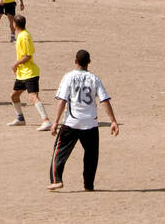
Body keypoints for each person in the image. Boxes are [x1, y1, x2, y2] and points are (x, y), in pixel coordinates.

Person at [48, 50, 119, 191]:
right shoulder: (94, 79)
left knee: (59, 151)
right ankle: (89, 185)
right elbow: (104, 100)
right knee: (91, 156)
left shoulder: (68, 77)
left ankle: (57, 180)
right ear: (89, 62)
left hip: (71, 123)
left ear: (75, 61)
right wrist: (113, 121)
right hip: (90, 124)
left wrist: (55, 122)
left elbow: (62, 100)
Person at [7, 15, 51, 130]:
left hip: (30, 72)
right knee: (14, 96)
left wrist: (15, 64)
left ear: (15, 24)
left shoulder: (24, 36)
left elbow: (28, 56)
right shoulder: (21, 35)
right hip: (23, 73)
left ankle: (46, 121)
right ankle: (20, 118)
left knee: (33, 96)